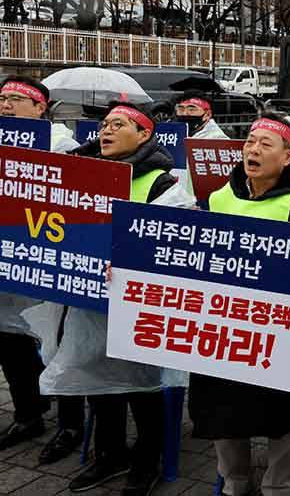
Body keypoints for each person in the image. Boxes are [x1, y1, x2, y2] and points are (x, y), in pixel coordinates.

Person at [39, 102, 193, 495]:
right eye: (104, 124)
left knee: (142, 387)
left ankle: (146, 460)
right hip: (88, 299)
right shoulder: (80, 171)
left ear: (144, 135)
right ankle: (109, 454)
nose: (105, 131)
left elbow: (173, 244)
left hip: (137, 306)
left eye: (118, 125)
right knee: (98, 379)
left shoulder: (163, 184)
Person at [187, 112, 290, 496]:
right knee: (221, 410)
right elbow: (183, 247)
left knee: (279, 417)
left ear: (288, 157)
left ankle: (279, 486)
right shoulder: (217, 198)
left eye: (264, 145)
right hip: (220, 328)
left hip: (278, 334)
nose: (252, 150)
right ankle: (235, 481)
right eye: (249, 142)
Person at [0, 76, 84, 461]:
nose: (6, 105)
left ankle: (71, 425)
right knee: (9, 339)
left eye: (17, 99)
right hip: (8, 261)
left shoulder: (66, 147)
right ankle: (29, 412)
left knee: (60, 344)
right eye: (2, 98)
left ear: (40, 108)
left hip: (51, 263)